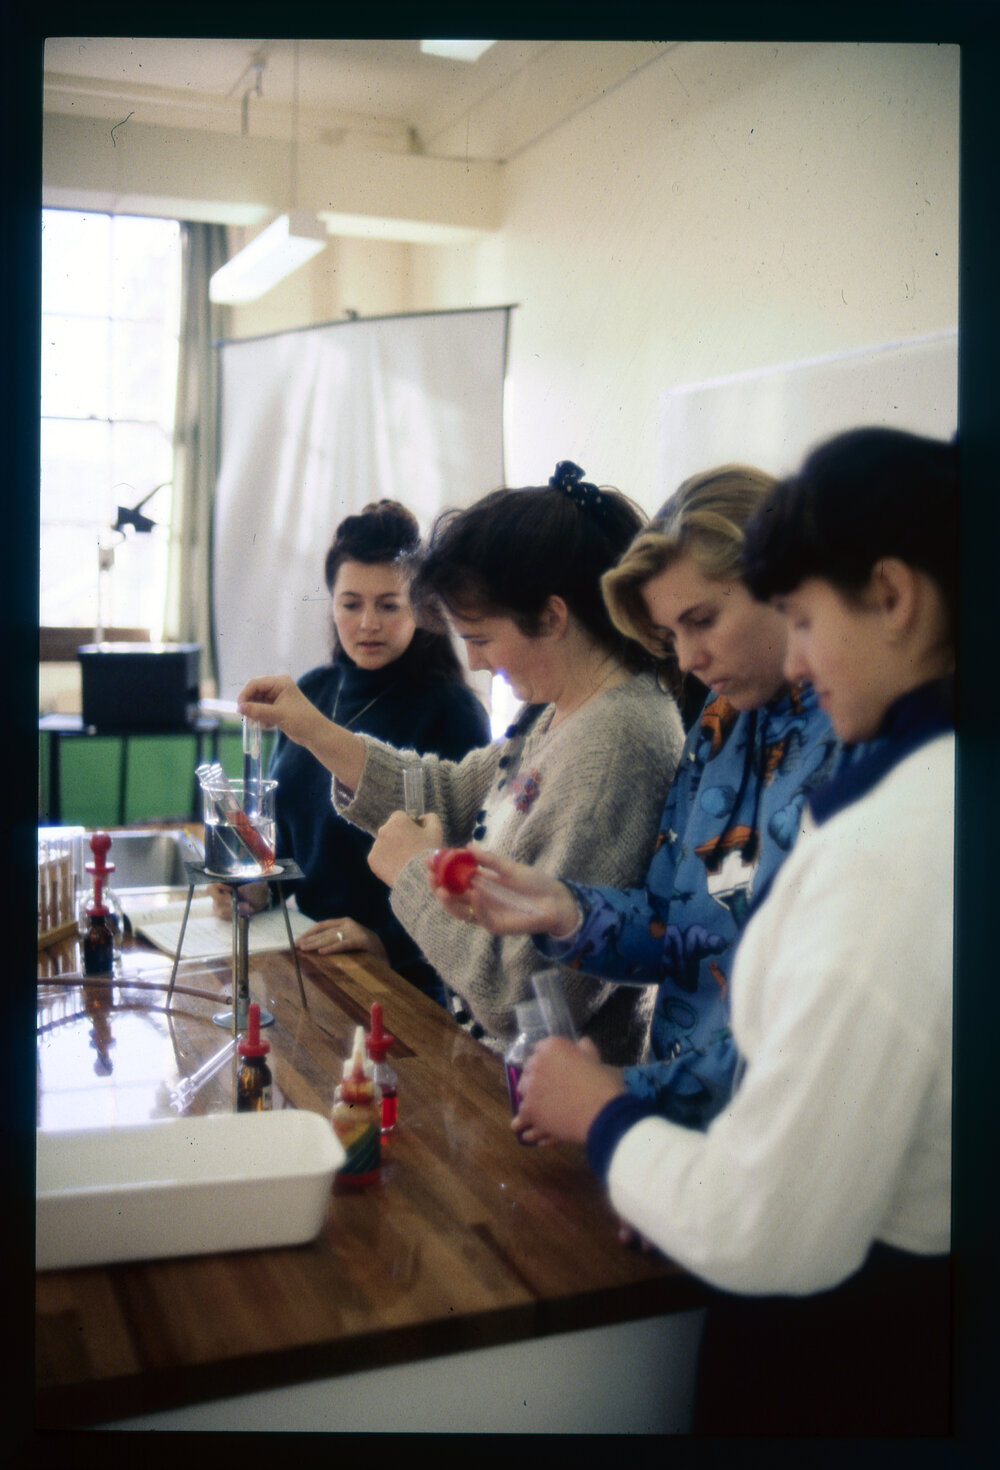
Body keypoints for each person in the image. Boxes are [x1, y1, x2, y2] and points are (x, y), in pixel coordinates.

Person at [519, 427, 957, 1435]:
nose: (797, 658)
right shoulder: (726, 736)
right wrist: (567, 912)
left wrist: (613, 1114)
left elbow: (770, 1223)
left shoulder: (888, 833)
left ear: (892, 598)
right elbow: (699, 928)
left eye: (801, 618)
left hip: (845, 1321)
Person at [434, 465, 843, 1130]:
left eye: (702, 621)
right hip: (687, 1141)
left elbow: (805, 1034)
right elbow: (668, 923)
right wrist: (561, 909)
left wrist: (621, 1096)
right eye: (672, 635)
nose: (687, 660)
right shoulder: (717, 725)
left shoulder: (851, 745)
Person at [237, 462, 686, 1065]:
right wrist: (310, 727)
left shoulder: (618, 743)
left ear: (552, 618)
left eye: (479, 637)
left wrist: (413, 872)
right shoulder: (560, 709)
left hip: (554, 1103)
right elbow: (448, 792)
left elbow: (521, 995)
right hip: (497, 1075)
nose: (472, 662)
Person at [210, 500, 491, 1003]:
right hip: (306, 956)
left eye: (389, 605)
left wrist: (384, 939)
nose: (367, 624)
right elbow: (291, 845)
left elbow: (463, 866)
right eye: (351, 603)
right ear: (331, 604)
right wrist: (257, 886)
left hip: (401, 976)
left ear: (422, 608)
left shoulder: (452, 710)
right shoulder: (311, 693)